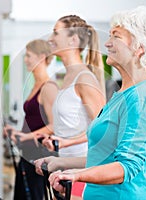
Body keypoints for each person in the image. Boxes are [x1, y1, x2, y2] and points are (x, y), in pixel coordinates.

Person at [34, 6, 146, 200]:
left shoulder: (143, 98)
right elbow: (102, 157)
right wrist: (62, 165)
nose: (107, 43)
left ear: (140, 48)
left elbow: (126, 168)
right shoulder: (123, 95)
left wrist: (75, 175)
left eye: (116, 37)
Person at [36, 15, 106, 198]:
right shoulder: (67, 77)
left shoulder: (84, 79)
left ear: (73, 40)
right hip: (64, 164)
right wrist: (55, 137)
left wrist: (67, 141)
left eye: (56, 33)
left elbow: (103, 131)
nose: (50, 39)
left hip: (81, 168)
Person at [3, 39, 58, 200]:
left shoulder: (49, 87)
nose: (25, 60)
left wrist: (28, 136)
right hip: (27, 153)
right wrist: (16, 132)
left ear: (42, 56)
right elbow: (33, 119)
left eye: (29, 56)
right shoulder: (35, 86)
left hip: (40, 156)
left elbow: (54, 125)